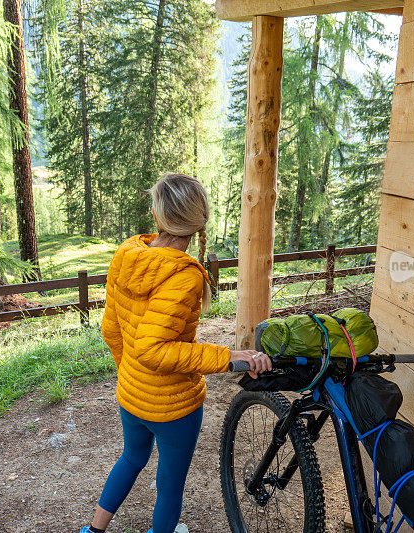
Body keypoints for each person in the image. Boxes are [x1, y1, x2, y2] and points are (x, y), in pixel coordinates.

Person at [80, 173, 271, 533]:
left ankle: (93, 530)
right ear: (198, 224)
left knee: (131, 458)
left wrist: (131, 375)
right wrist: (227, 357)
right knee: (170, 485)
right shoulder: (185, 276)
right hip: (174, 406)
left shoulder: (127, 254)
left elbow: (111, 329)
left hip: (131, 395)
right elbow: (156, 349)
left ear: (158, 216)